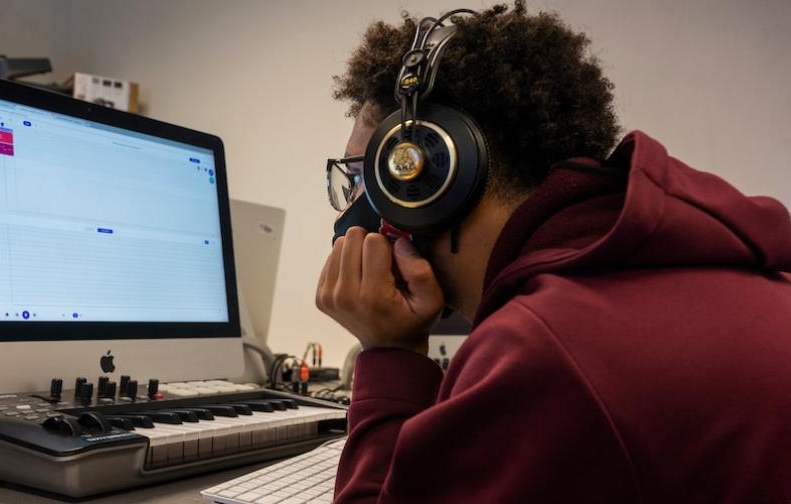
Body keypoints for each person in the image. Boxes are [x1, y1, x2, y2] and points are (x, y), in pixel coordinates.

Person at [315, 2, 791, 502]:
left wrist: (388, 354)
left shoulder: (540, 349)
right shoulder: (687, 266)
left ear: (429, 176)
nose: (354, 212)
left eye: (362, 179)